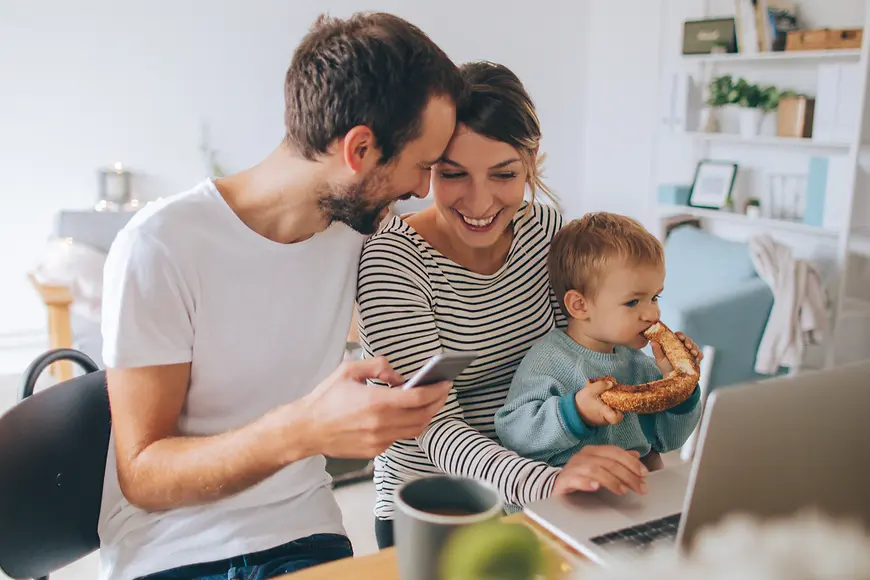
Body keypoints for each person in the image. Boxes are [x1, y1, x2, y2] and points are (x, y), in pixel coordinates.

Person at [98, 12, 464, 580]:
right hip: (173, 550)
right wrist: (302, 429)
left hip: (302, 534)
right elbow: (142, 475)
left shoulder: (359, 232)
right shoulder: (160, 247)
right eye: (420, 166)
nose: (422, 189)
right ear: (360, 150)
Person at [356, 61, 650, 550]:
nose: (479, 201)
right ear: (429, 167)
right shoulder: (393, 261)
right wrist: (547, 482)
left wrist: (632, 447)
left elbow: (580, 359)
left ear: (531, 160)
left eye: (503, 173)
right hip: (439, 505)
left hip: (554, 485)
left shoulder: (547, 232)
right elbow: (437, 428)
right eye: (453, 174)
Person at [494, 213, 703, 473]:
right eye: (633, 302)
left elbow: (670, 440)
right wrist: (576, 413)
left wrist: (680, 389)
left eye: (655, 297)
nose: (652, 314)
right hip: (564, 495)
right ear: (580, 306)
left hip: (629, 493)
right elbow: (513, 434)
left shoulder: (641, 366)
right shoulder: (548, 360)